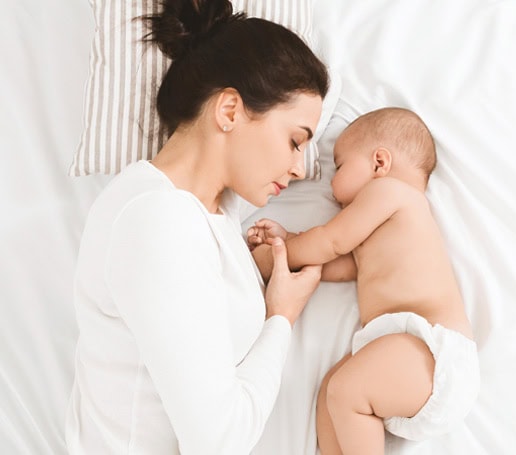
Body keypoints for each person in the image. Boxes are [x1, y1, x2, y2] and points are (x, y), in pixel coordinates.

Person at [65, 1, 330, 453]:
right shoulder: (158, 220)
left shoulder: (212, 212)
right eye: (294, 141)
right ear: (228, 110)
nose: (301, 168)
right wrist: (280, 319)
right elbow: (218, 443)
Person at [247, 107, 479, 454]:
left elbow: (332, 241)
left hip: (433, 354)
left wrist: (283, 255)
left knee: (347, 390)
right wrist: (285, 242)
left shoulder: (390, 193)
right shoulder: (385, 224)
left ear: (379, 163)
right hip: (399, 354)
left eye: (339, 167)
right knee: (332, 391)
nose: (332, 185)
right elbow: (338, 262)